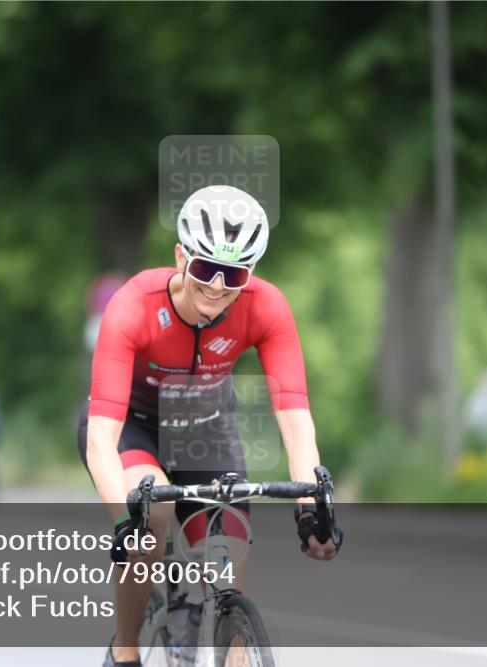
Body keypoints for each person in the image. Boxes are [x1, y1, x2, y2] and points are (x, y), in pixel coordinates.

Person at [77, 185, 339, 667]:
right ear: (180, 255)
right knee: (149, 521)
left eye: (234, 273)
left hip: (206, 430)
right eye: (204, 269)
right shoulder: (134, 304)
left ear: (251, 272)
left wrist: (309, 509)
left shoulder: (266, 307)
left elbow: (296, 422)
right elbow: (100, 439)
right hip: (132, 428)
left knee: (227, 574)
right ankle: (126, 650)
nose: (218, 286)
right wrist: (122, 521)